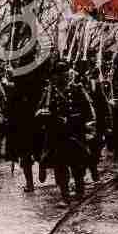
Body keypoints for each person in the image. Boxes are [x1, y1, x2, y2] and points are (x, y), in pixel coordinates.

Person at [37, 61, 96, 204]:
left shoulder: (77, 89)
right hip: (57, 135)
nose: (60, 78)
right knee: (60, 167)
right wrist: (43, 114)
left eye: (63, 74)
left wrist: (75, 121)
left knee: (77, 166)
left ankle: (80, 193)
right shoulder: (49, 92)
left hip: (75, 134)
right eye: (57, 75)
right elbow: (39, 111)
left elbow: (89, 112)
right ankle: (65, 196)